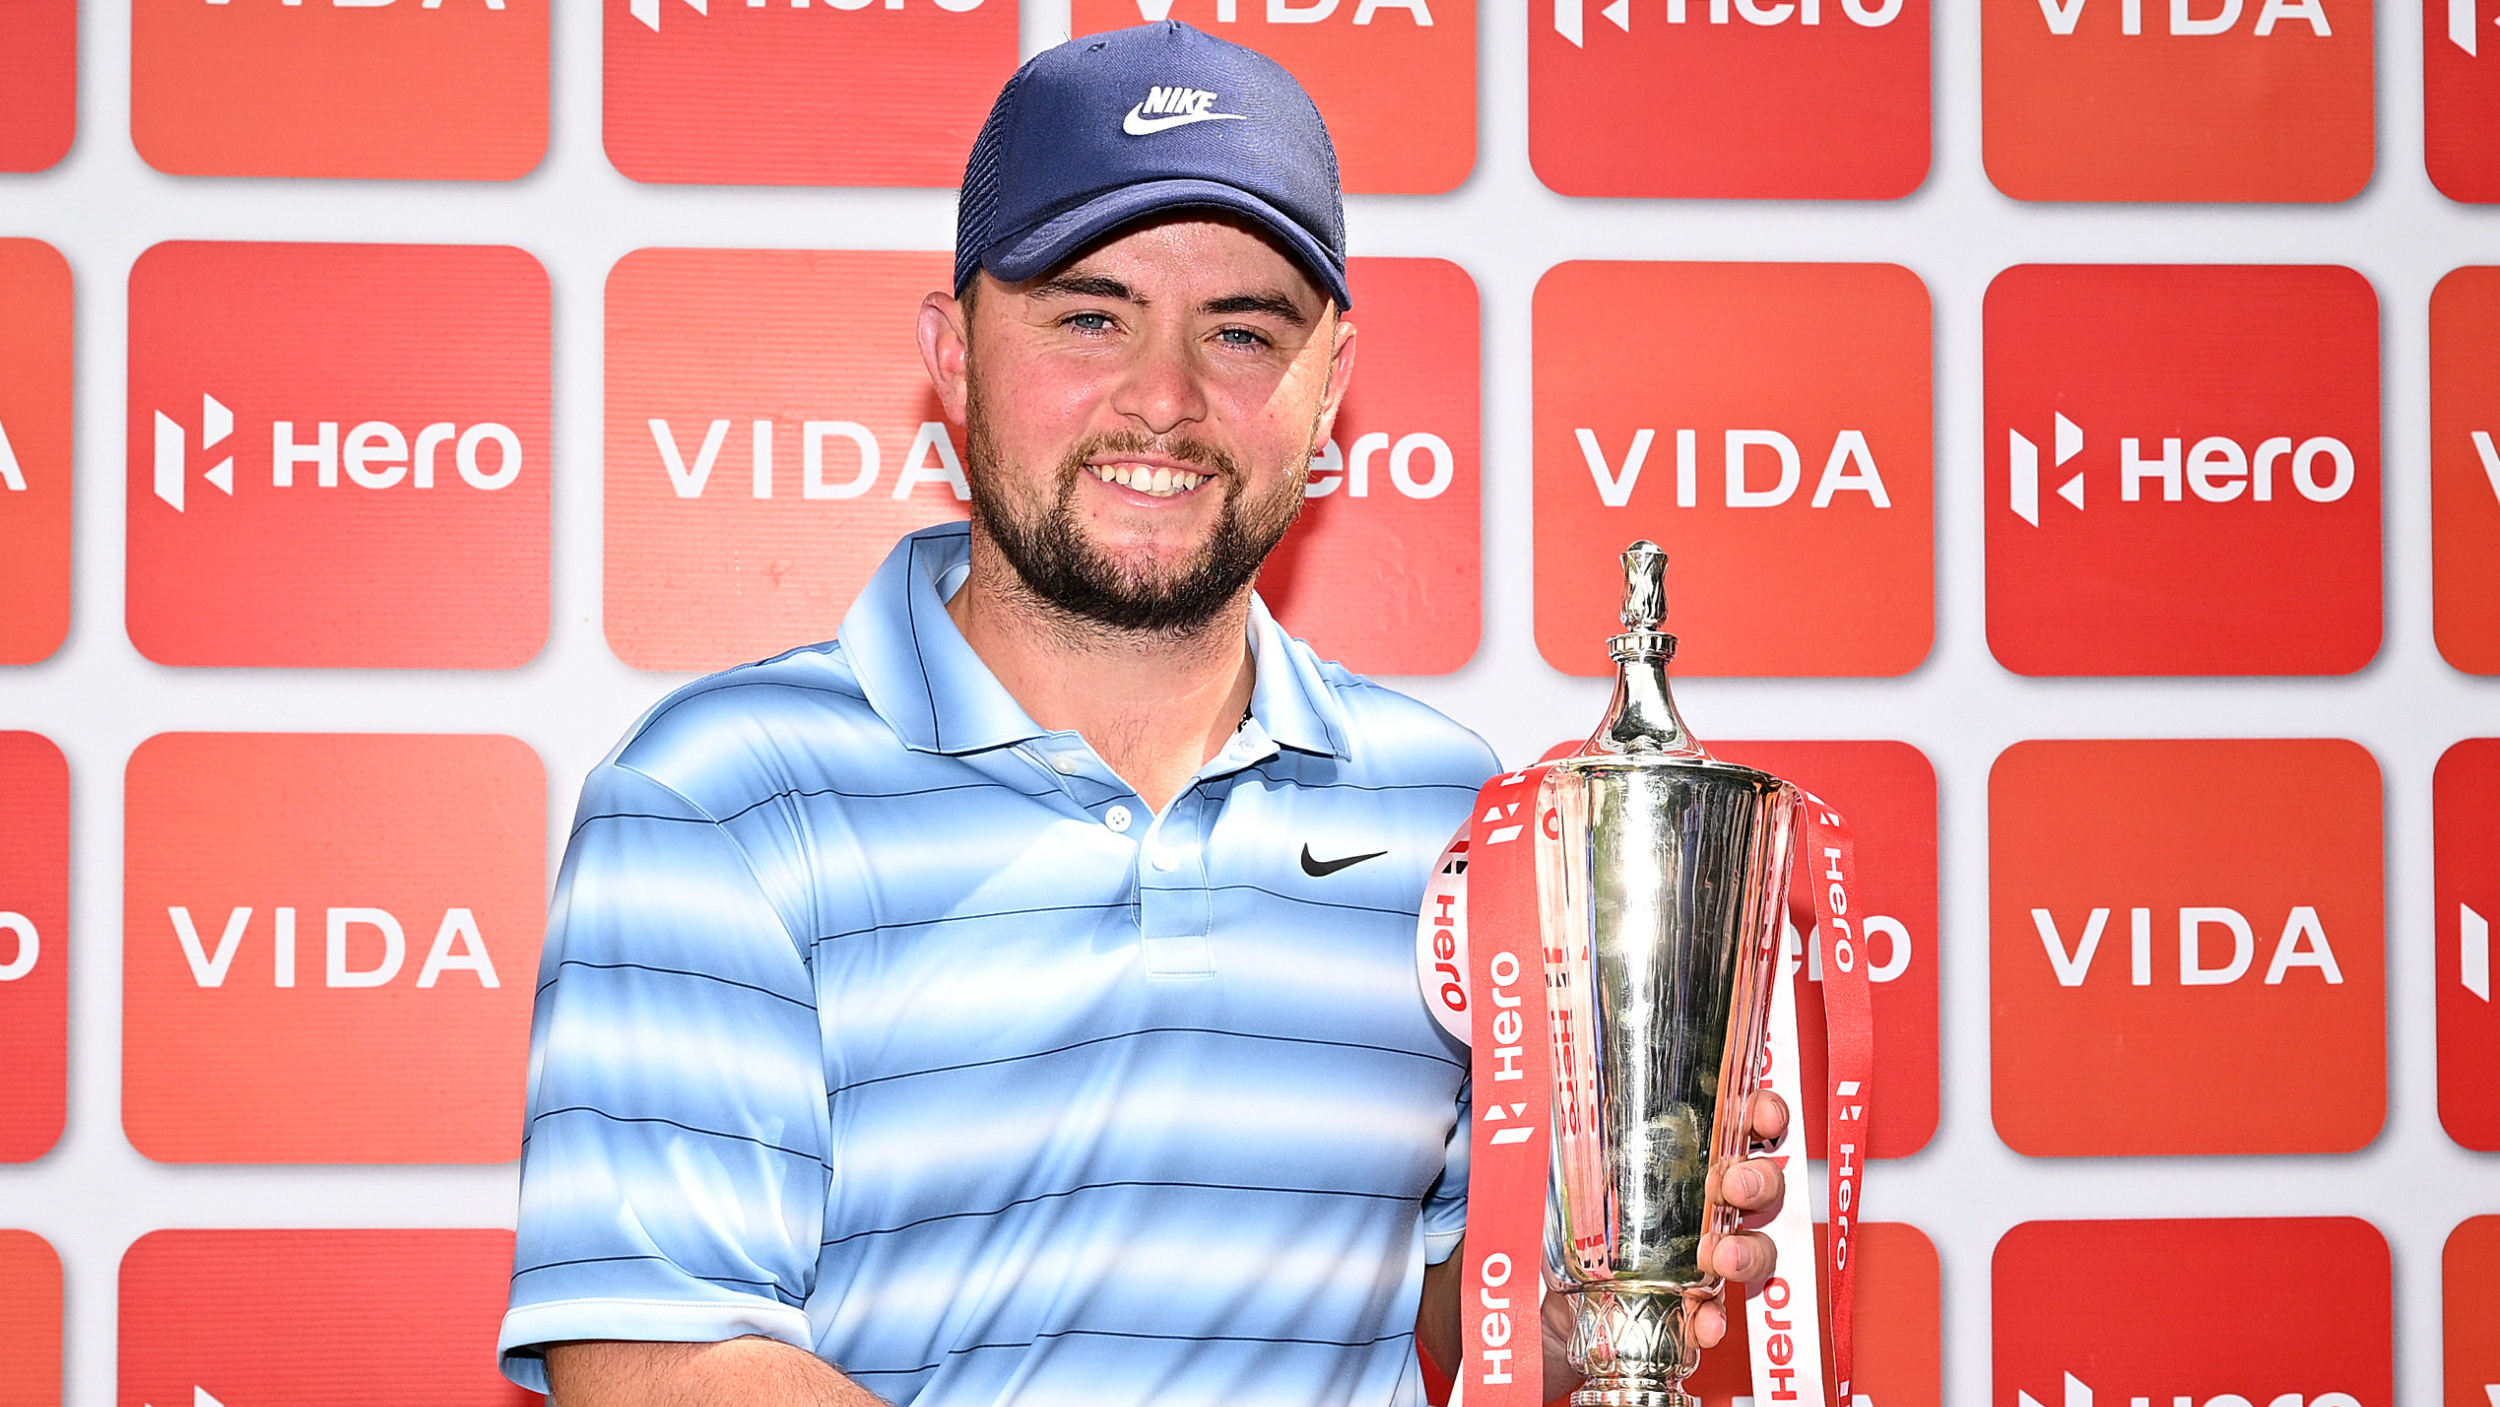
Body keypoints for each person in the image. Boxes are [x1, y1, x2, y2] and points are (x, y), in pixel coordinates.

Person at [498, 21, 1785, 1406]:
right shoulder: (722, 796)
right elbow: (655, 1362)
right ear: (954, 354)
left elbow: (1465, 1319)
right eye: (1089, 314)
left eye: (1242, 331)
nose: (1162, 400)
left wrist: (1617, 1262)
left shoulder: (1453, 812)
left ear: (1331, 383)